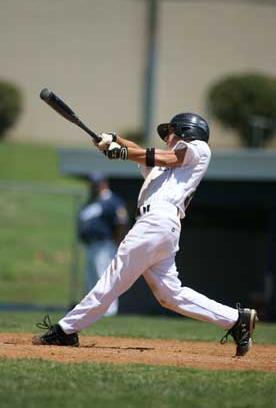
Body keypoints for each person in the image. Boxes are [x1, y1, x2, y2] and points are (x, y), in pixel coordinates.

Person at [32, 112, 258, 356]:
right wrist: (115, 140)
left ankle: (65, 330)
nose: (166, 138)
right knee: (170, 295)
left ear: (186, 131)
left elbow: (167, 157)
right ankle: (236, 319)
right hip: (160, 226)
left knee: (114, 278)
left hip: (157, 221)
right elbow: (142, 152)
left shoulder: (198, 149)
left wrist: (122, 152)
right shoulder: (163, 168)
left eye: (170, 132)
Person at [77, 172, 129, 316]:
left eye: (97, 183)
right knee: (90, 279)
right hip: (90, 245)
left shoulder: (112, 201)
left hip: (105, 245)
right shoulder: (91, 202)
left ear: (104, 183)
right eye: (93, 183)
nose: (94, 186)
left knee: (104, 277)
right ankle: (89, 312)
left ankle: (109, 312)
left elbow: (121, 222)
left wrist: (118, 243)